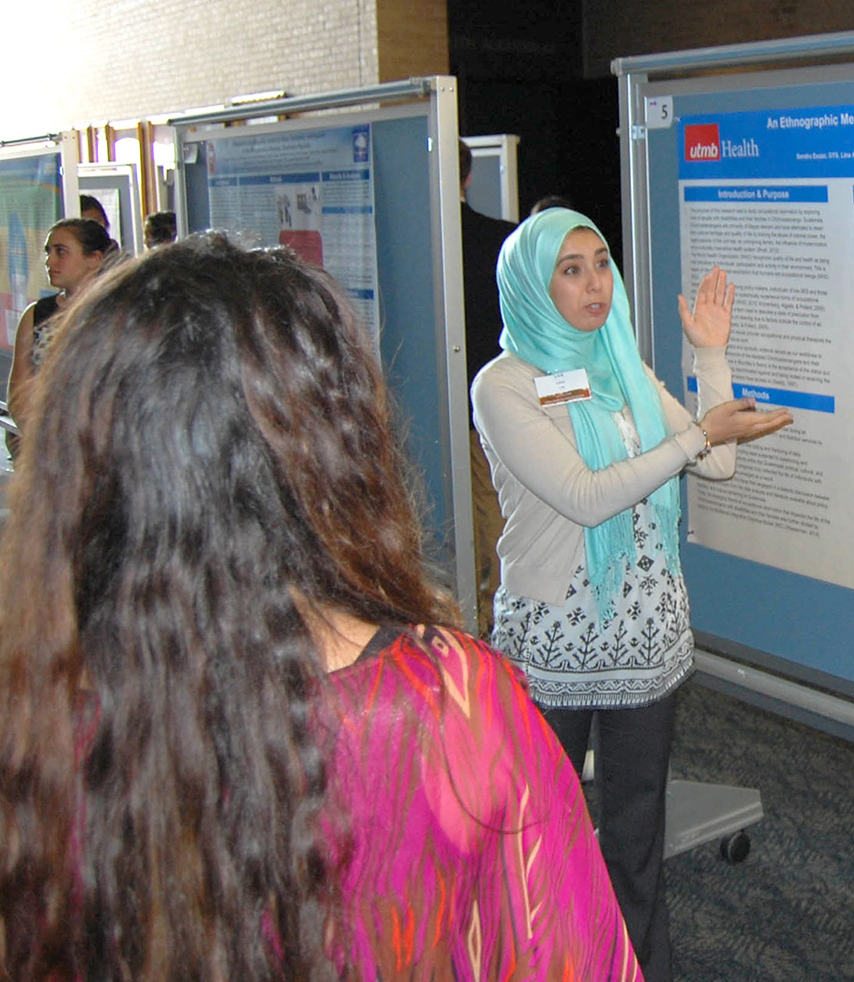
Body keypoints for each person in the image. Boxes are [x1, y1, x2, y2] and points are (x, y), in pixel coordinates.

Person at [0, 233, 642, 982]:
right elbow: (565, 950)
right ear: (334, 441)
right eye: (572, 266)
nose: (594, 284)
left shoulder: (38, 717)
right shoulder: (447, 706)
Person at [473, 207, 791, 981]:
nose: (593, 284)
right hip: (555, 641)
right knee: (537, 835)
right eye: (570, 268)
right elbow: (584, 496)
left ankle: (641, 968)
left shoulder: (620, 368)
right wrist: (693, 437)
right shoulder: (505, 385)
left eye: (601, 263)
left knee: (635, 833)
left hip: (643, 640)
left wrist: (709, 356)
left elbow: (715, 466)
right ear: (531, 283)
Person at [459, 139, 519, 636]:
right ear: (468, 177)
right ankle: (490, 620)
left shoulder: (421, 242)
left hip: (438, 401)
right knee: (491, 509)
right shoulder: (503, 240)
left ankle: (486, 620)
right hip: (496, 401)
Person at [6, 218, 111, 442]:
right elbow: (19, 393)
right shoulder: (36, 315)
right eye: (48, 252)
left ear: (94, 259)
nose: (50, 261)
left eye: (61, 252)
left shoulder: (117, 312)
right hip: (49, 441)